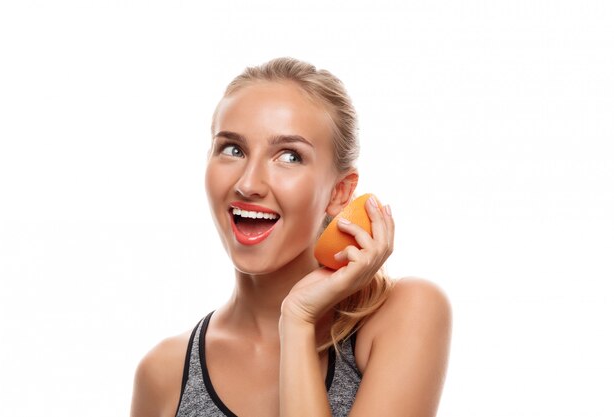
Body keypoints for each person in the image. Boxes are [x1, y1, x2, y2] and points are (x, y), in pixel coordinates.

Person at [130, 57, 452, 417]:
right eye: (232, 149)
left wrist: (297, 321)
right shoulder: (164, 373)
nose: (248, 183)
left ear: (339, 193)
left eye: (289, 156)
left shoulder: (403, 313)